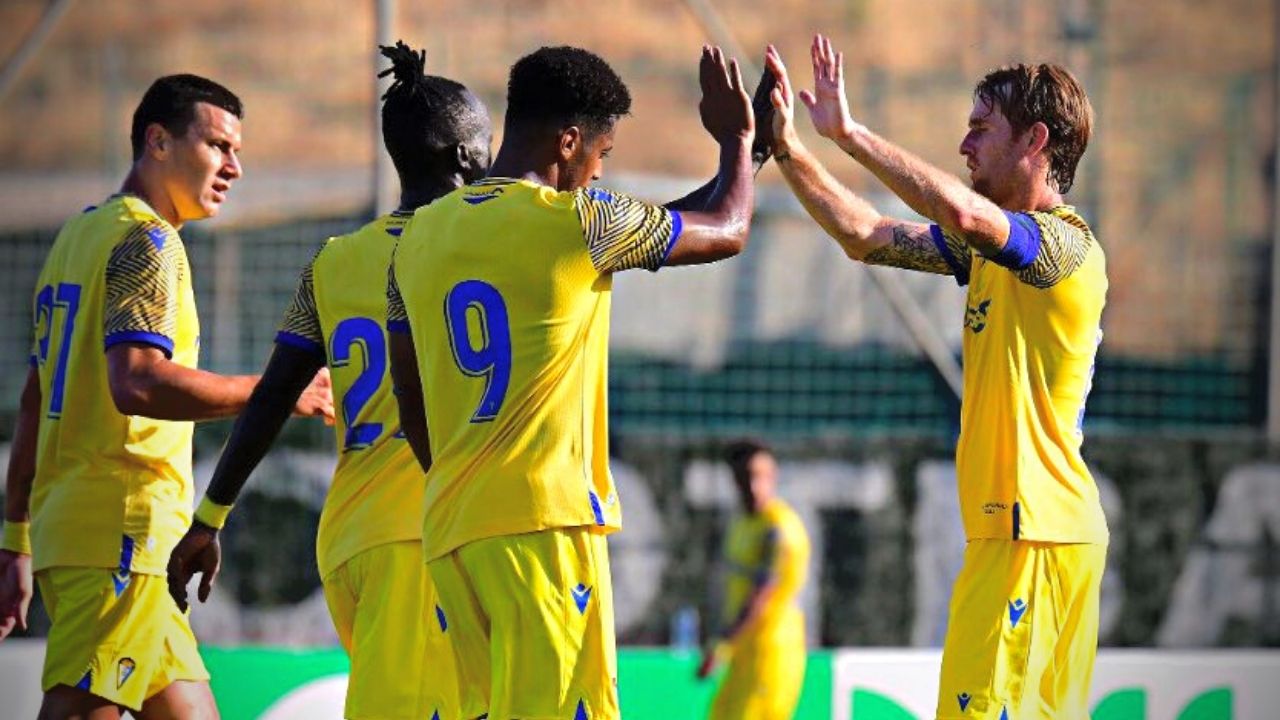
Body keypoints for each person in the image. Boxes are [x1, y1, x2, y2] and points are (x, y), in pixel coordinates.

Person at [385, 44, 769, 720]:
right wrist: (741, 142)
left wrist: (458, 483)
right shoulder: (580, 223)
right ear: (569, 141)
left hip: (452, 529)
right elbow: (729, 229)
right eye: (602, 155)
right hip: (545, 526)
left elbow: (410, 397)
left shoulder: (416, 239)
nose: (598, 173)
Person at [765, 36, 1107, 719]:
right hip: (1016, 536)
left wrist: (850, 134)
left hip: (1035, 534)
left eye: (981, 128)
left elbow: (963, 213)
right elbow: (864, 233)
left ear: (1035, 141)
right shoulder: (990, 252)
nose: (963, 145)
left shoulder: (1062, 246)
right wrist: (788, 148)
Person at [164, 43, 491, 720]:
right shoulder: (474, 247)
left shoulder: (335, 262)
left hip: (352, 537)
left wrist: (211, 516)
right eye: (487, 146)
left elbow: (275, 393)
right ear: (464, 157)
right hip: (417, 539)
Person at [0, 74, 333, 720]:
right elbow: (139, 382)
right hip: (121, 534)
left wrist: (15, 537)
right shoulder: (147, 242)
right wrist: (273, 392)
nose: (234, 167)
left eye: (238, 151)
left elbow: (36, 398)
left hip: (104, 538)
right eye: (217, 146)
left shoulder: (76, 239)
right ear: (157, 141)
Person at [698, 440, 810, 720]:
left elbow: (761, 596)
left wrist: (721, 644)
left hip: (771, 652)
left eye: (761, 476)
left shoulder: (778, 529)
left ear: (774, 478)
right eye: (745, 477)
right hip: (744, 652)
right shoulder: (742, 523)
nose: (753, 485)